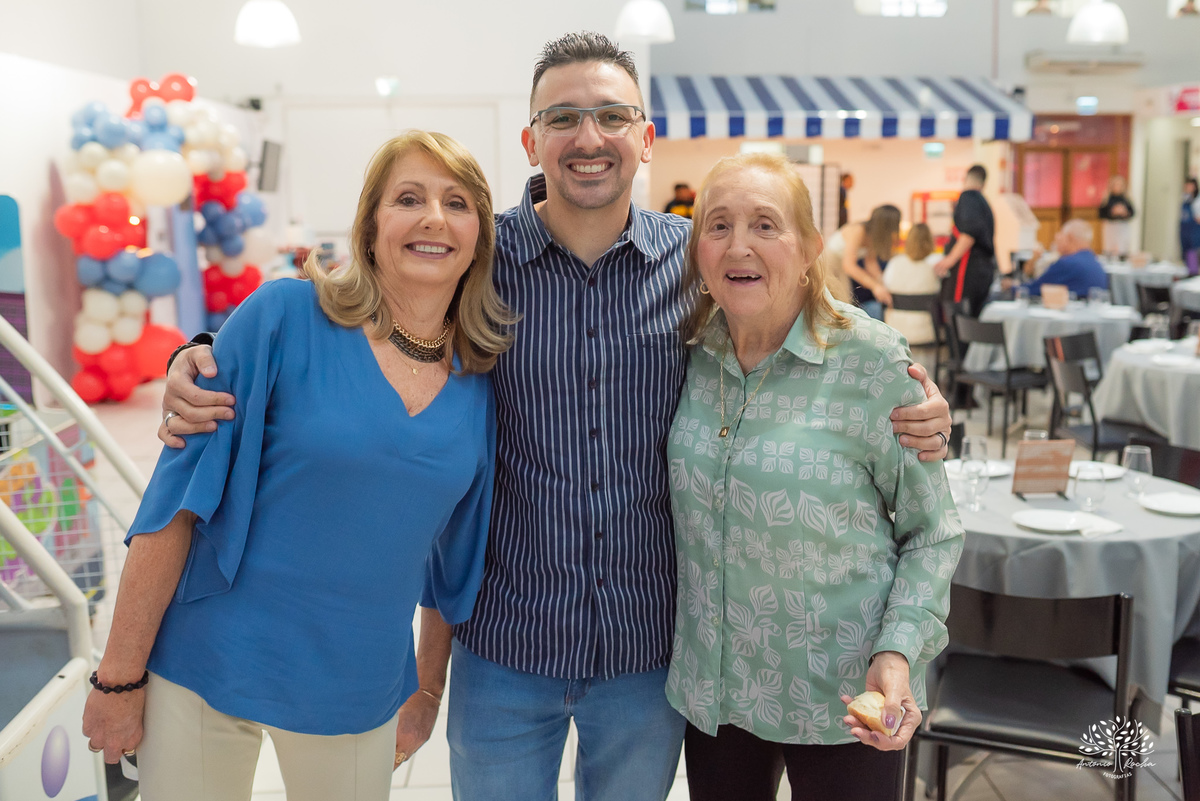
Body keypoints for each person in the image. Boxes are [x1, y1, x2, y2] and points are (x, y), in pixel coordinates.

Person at [156, 33, 954, 801]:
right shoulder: (478, 261)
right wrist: (199, 351)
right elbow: (363, 306)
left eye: (610, 116)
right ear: (532, 142)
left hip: (646, 655)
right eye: (562, 117)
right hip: (506, 646)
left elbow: (791, 316)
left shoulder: (696, 265)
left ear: (644, 137)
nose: (588, 135)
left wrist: (905, 394)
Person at [81, 131, 513, 800]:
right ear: (371, 226)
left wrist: (427, 690)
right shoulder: (285, 316)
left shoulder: (481, 384)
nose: (433, 216)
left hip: (356, 684)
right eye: (408, 197)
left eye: (456, 202)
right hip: (208, 656)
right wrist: (118, 673)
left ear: (479, 236)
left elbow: (454, 569)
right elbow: (175, 501)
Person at [668, 152, 963, 801]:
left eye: (766, 224)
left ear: (809, 246)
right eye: (718, 225)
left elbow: (933, 530)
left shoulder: (870, 359)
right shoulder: (687, 352)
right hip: (717, 693)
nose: (739, 243)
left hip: (843, 695)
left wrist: (899, 649)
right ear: (697, 249)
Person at [934, 165, 995, 317]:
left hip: (967, 270)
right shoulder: (983, 202)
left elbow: (969, 233)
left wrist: (949, 260)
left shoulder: (968, 197)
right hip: (983, 270)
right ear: (983, 183)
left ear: (965, 178)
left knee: (959, 320)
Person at [824, 204, 902, 319]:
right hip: (830, 263)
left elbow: (870, 263)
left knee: (845, 304)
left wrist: (881, 284)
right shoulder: (858, 230)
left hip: (841, 265)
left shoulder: (873, 236)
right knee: (843, 302)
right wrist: (875, 286)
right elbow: (849, 266)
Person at [1014, 219, 1108, 298]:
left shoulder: (1067, 264)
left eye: (1060, 234)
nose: (1057, 238)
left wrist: (1010, 288)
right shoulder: (1095, 262)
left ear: (1070, 238)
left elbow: (1032, 291)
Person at [883, 222, 941, 345]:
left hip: (896, 331)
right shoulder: (938, 263)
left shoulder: (895, 263)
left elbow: (885, 288)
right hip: (928, 330)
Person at [1098, 175, 1135, 260]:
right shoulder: (1107, 199)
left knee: (1122, 248)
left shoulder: (1126, 199)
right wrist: (1112, 212)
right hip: (1111, 226)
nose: (1117, 187)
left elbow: (1132, 213)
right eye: (1116, 184)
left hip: (1122, 227)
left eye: (1120, 185)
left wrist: (1125, 213)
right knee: (1110, 248)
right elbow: (1101, 214)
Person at [1182, 178, 1200, 276]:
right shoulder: (1185, 198)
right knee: (1186, 263)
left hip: (1194, 236)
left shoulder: (1197, 201)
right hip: (1185, 236)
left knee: (1193, 266)